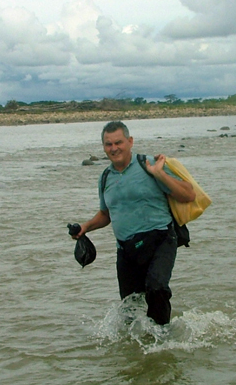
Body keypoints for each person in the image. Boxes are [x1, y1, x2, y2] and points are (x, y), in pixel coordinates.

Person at [71, 121, 195, 325]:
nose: (114, 148)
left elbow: (188, 194)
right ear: (103, 147)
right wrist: (86, 227)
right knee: (130, 307)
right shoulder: (105, 177)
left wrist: (159, 174)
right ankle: (137, 349)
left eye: (118, 142)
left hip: (160, 239)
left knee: (156, 288)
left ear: (130, 141)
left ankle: (163, 340)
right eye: (108, 144)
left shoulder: (149, 165)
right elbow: (105, 214)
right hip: (126, 249)